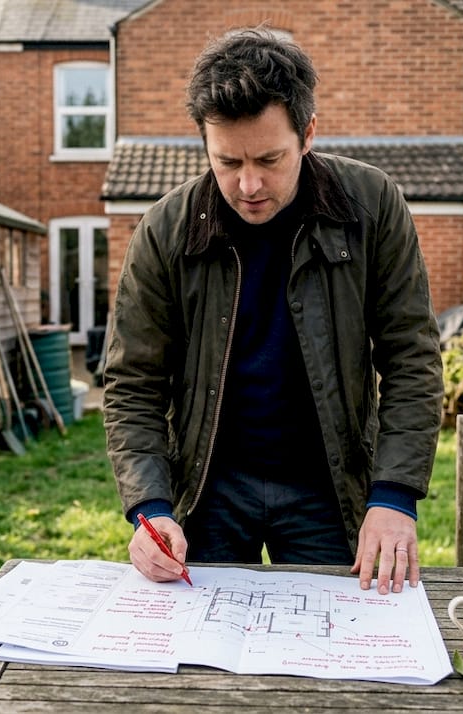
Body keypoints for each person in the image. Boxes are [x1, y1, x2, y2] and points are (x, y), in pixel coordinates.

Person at [102, 29, 443, 594]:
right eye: (227, 161)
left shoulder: (372, 206)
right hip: (207, 489)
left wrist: (394, 496)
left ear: (307, 134)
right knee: (198, 643)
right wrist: (150, 509)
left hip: (328, 485)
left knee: (337, 638)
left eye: (269, 159)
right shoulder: (165, 229)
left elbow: (412, 357)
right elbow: (133, 382)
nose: (249, 184)